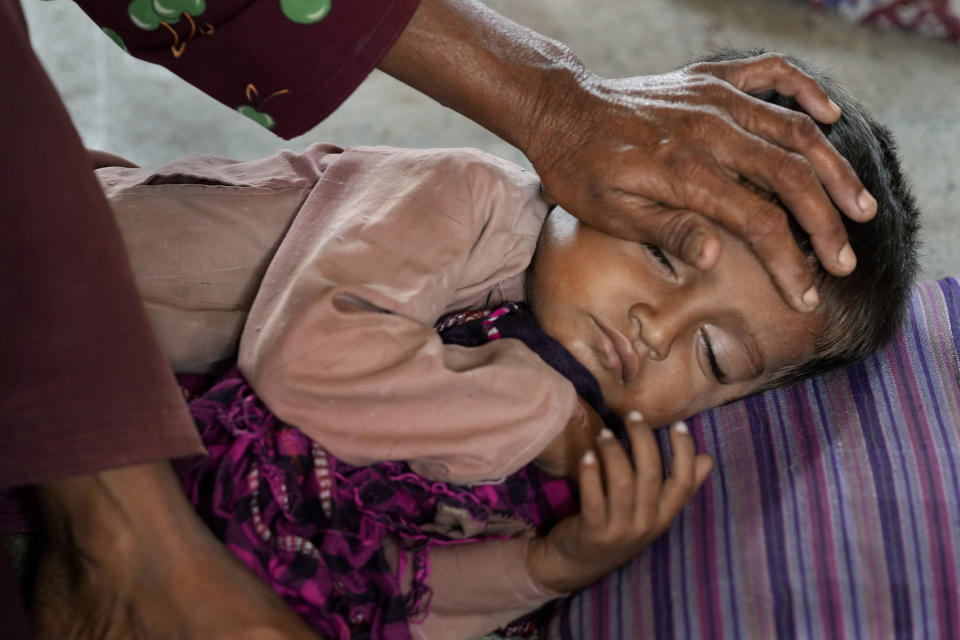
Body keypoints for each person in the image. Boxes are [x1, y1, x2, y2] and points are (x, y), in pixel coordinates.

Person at [1, 0, 879, 634]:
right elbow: (310, 371)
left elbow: (390, 584)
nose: (656, 324)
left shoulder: (552, 400)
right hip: (33, 286)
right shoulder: (460, 197)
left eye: (717, 357)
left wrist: (550, 564)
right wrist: (536, 410)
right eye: (663, 251)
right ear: (602, 180)